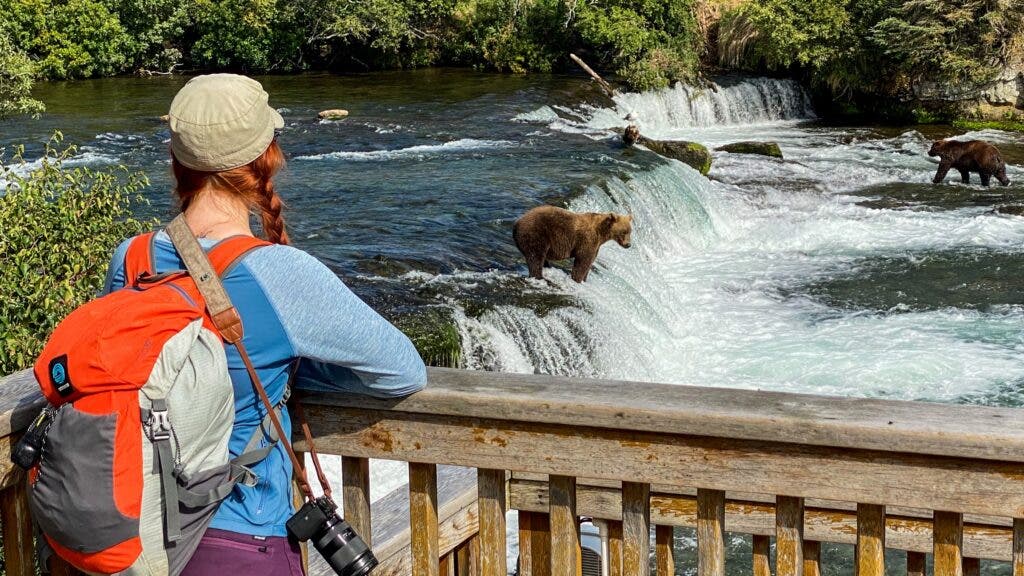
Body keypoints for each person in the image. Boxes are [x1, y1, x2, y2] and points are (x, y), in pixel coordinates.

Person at [100, 74, 428, 575]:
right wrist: (293, 368)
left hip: (136, 531)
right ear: (265, 159)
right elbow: (403, 372)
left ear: (177, 163)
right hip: (239, 538)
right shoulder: (280, 272)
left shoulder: (132, 258)